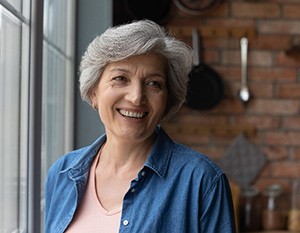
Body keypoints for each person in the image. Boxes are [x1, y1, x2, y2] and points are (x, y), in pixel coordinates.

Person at [45, 20, 236, 233]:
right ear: (93, 92)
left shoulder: (202, 181)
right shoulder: (62, 174)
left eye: (153, 83)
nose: (136, 98)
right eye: (120, 78)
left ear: (167, 101)